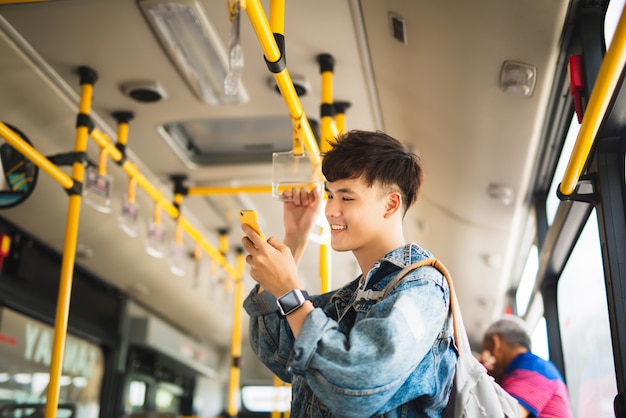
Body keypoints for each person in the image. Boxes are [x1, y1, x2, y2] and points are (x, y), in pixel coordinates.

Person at [242, 130, 457, 417]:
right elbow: (277, 351)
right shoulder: (349, 297)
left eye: (346, 197)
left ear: (390, 204)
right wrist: (295, 237)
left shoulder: (424, 289)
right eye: (330, 195)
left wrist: (290, 294)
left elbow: (356, 384)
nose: (330, 209)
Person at [480, 315, 573, 418]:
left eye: (487, 349)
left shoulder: (532, 367)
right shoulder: (538, 367)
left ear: (496, 342)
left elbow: (507, 414)